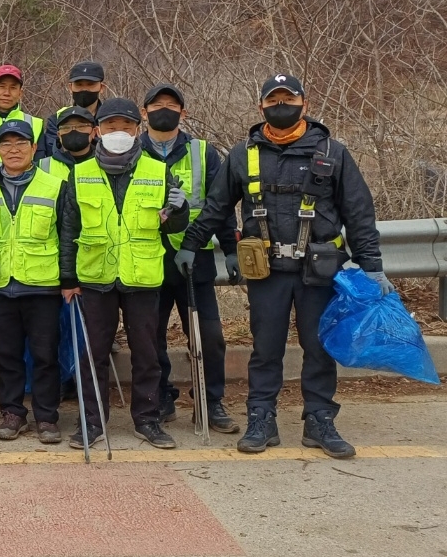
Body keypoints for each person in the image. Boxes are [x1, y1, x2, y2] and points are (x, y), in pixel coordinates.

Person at [176, 74, 388, 459]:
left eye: (288, 98)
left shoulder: (332, 152)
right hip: (266, 272)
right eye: (273, 99)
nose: (281, 105)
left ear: (304, 104)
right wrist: (191, 243)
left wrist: (372, 265)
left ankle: (320, 420)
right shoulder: (243, 154)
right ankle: (262, 418)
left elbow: (359, 213)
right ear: (261, 106)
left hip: (319, 272)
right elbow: (217, 207)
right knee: (266, 348)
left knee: (319, 347)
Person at [58, 98, 190, 449]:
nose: (119, 132)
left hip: (141, 277)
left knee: (146, 353)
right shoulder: (80, 173)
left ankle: (147, 420)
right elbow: (68, 228)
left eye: (126, 126)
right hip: (95, 278)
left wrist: (180, 210)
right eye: (111, 126)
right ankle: (91, 421)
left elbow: (172, 225)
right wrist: (68, 279)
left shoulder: (158, 171)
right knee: (93, 354)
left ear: (138, 130)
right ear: (97, 131)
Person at [139, 84, 240, 435]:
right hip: (149, 258)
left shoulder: (203, 152)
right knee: (151, 336)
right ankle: (162, 396)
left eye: (172, 105)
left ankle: (210, 402)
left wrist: (231, 249)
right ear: (144, 112)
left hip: (194, 259)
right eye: (156, 105)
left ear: (183, 113)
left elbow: (220, 204)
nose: (163, 110)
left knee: (208, 335)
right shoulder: (133, 152)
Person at [0, 121, 66, 444]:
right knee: (8, 355)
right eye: (6, 144)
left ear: (32, 148)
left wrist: (67, 278)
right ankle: (12, 412)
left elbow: (67, 236)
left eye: (21, 143)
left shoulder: (55, 186)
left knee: (45, 355)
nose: (13, 150)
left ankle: (46, 416)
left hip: (41, 287)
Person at [38, 61, 106, 158]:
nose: (84, 89)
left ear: (102, 87)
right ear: (70, 87)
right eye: (79, 84)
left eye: (90, 84)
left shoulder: (110, 119)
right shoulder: (57, 119)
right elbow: (52, 151)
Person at [37, 107, 97, 181]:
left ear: (94, 132)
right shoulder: (41, 167)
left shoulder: (106, 165)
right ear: (59, 135)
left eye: (81, 126)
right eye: (66, 127)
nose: (74, 131)